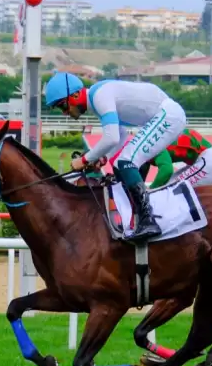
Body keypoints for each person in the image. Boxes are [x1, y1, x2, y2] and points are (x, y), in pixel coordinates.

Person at [43, 72, 187, 242]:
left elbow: (111, 137)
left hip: (168, 115)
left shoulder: (99, 96)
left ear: (75, 95)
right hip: (165, 116)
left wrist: (84, 160)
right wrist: (103, 158)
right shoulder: (97, 100)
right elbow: (121, 134)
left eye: (62, 106)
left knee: (126, 161)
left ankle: (148, 220)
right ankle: (136, 216)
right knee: (120, 163)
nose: (64, 113)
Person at [108, 128, 212, 190]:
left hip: (209, 161)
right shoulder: (143, 147)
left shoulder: (150, 145)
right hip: (203, 160)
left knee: (169, 189)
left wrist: (151, 189)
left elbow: (167, 170)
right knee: (167, 186)